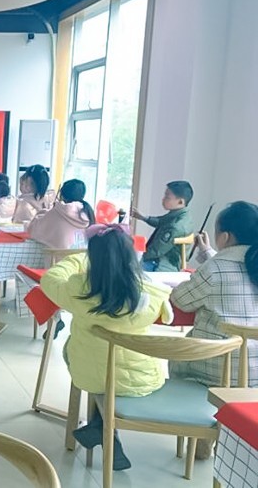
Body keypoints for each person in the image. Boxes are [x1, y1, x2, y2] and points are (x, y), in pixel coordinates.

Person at [41, 223, 172, 471]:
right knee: (107, 364)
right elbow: (168, 315)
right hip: (144, 379)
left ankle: (102, 430)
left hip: (90, 375)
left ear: (94, 258)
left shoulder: (79, 289)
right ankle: (100, 429)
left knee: (86, 356)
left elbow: (50, 279)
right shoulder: (153, 294)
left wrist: (79, 258)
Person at [170, 201, 258, 387]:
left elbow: (180, 300)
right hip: (254, 377)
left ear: (225, 237)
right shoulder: (250, 265)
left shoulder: (214, 268)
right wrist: (207, 252)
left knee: (178, 354)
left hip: (215, 373)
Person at [131, 180, 194, 271]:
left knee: (125, 268)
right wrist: (144, 218)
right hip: (159, 258)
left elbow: (156, 251)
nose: (163, 199)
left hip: (162, 264)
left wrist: (134, 258)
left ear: (180, 202)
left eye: (167, 197)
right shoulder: (181, 214)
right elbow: (161, 222)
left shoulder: (176, 226)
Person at [27, 179, 96, 249]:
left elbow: (32, 230)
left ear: (62, 195)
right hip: (81, 256)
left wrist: (43, 212)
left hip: (57, 256)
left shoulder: (57, 212)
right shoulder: (87, 213)